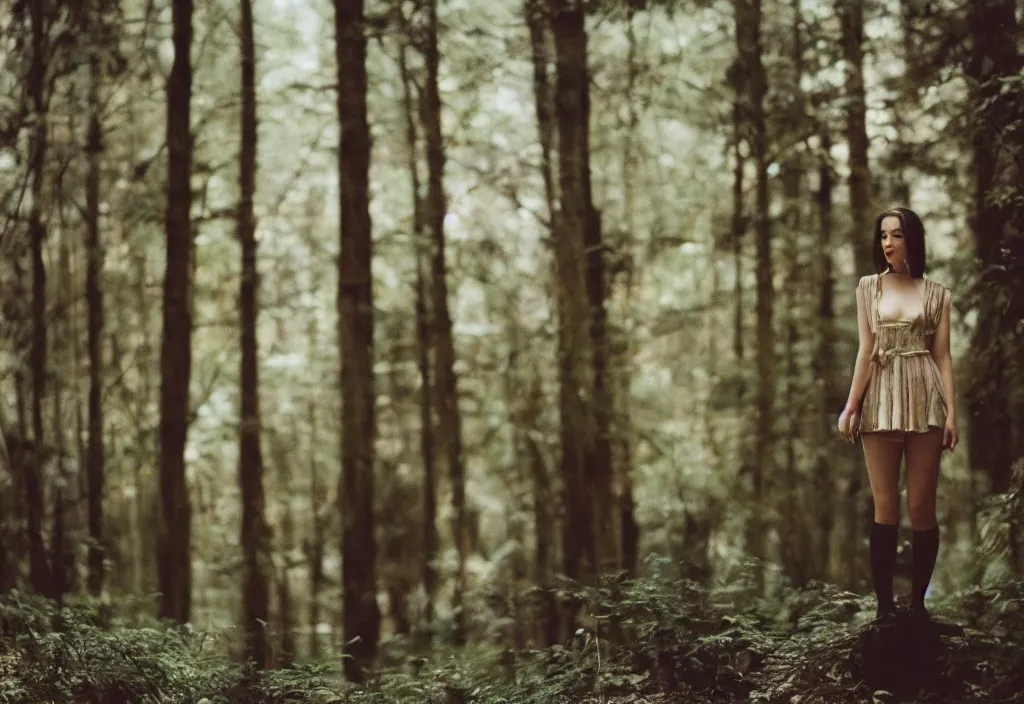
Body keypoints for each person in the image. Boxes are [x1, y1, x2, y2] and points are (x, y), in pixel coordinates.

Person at [836, 206, 958, 622]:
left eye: (897, 235)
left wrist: (952, 414)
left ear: (913, 239)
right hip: (881, 399)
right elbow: (864, 351)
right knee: (884, 507)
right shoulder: (868, 287)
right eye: (884, 235)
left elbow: (942, 356)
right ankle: (885, 609)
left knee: (921, 508)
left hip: (925, 399)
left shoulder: (937, 292)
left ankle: (919, 606)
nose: (888, 242)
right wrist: (851, 405)